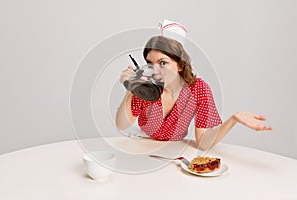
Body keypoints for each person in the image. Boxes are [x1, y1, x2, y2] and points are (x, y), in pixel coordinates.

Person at [116, 20, 273, 150]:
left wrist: (233, 119)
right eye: (150, 63)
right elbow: (122, 125)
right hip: (142, 144)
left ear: (179, 65)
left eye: (163, 63)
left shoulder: (198, 89)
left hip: (175, 149)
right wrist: (131, 88)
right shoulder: (146, 88)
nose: (155, 70)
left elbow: (204, 142)